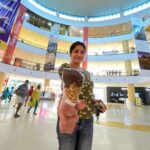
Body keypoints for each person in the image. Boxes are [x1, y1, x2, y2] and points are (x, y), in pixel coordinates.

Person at [57, 41, 107, 150]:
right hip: (70, 116)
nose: (79, 54)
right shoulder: (65, 68)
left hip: (88, 119)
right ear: (70, 53)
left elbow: (89, 94)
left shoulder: (87, 73)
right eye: (76, 51)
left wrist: (95, 102)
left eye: (82, 52)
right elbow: (68, 89)